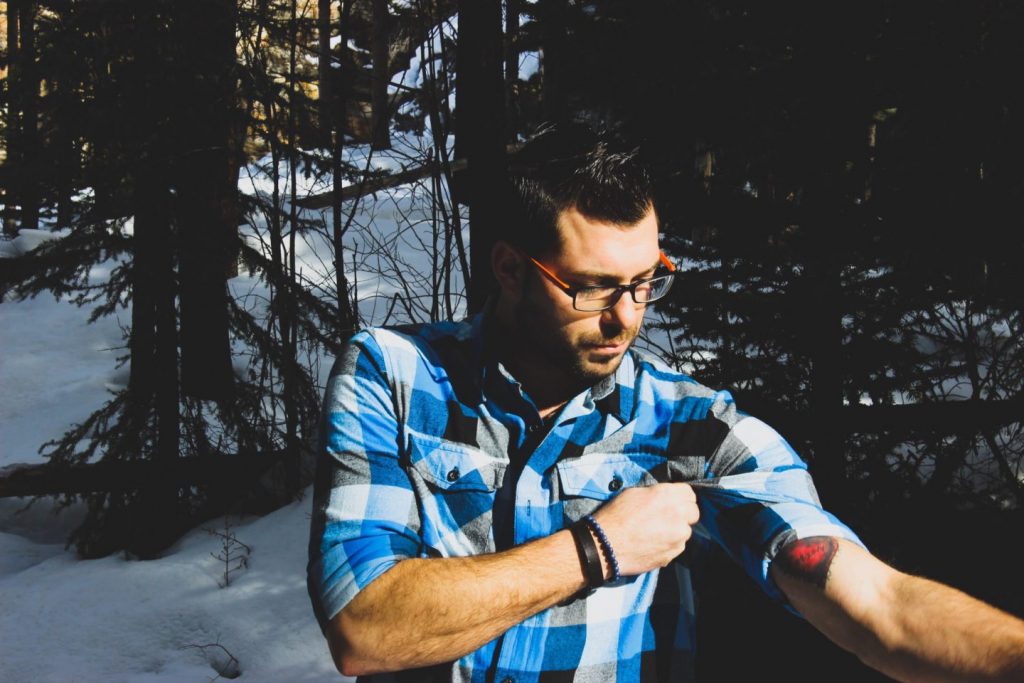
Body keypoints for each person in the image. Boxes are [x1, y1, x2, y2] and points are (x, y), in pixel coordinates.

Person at [307, 126, 1024, 682]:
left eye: (646, 281)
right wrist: (596, 549)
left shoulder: (691, 427)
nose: (626, 317)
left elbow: (877, 603)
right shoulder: (394, 376)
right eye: (594, 287)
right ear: (510, 269)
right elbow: (363, 626)